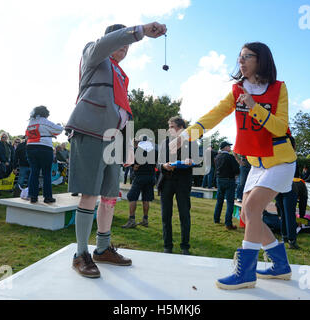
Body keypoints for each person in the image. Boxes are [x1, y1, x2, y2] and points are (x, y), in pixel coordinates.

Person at [171, 42, 296, 290]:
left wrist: (254, 108)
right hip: (255, 165)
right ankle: (280, 265)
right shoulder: (236, 90)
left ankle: (246, 274)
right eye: (239, 56)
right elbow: (215, 114)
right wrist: (186, 135)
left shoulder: (279, 89)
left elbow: (281, 127)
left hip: (280, 160)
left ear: (261, 60)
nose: (241, 60)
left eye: (247, 56)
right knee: (250, 215)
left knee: (250, 208)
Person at [65, 22, 167, 278]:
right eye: (121, 41)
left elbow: (123, 110)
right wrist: (140, 31)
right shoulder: (93, 53)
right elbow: (105, 44)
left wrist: (128, 144)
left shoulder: (120, 74)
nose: (124, 47)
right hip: (90, 131)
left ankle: (102, 249)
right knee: (89, 194)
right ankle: (80, 254)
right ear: (108, 39)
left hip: (113, 139)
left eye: (128, 45)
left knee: (110, 197)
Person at [158, 116, 196, 255]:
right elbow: (158, 162)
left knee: (184, 215)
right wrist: (164, 165)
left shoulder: (191, 142)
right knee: (165, 215)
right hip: (166, 181)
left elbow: (198, 161)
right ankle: (167, 246)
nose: (169, 129)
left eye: (171, 126)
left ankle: (185, 246)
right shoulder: (164, 143)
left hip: (183, 182)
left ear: (180, 128)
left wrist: (190, 161)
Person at [25, 106, 63, 204]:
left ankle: (33, 196)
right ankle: (47, 197)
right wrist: (60, 125)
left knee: (34, 172)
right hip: (44, 147)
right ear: (45, 113)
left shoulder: (31, 122)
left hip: (30, 147)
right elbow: (58, 130)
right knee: (46, 173)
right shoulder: (44, 121)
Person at [122, 136, 158, 228]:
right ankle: (145, 220)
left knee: (132, 197)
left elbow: (131, 164)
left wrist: (134, 166)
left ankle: (132, 220)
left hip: (140, 177)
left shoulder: (136, 150)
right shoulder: (154, 151)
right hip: (151, 177)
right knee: (146, 199)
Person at [213, 141, 240, 230]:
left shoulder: (217, 157)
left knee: (219, 201)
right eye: (229, 146)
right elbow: (236, 169)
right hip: (229, 180)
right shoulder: (230, 157)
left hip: (219, 180)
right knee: (230, 202)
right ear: (224, 147)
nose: (230, 148)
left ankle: (216, 219)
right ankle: (228, 223)